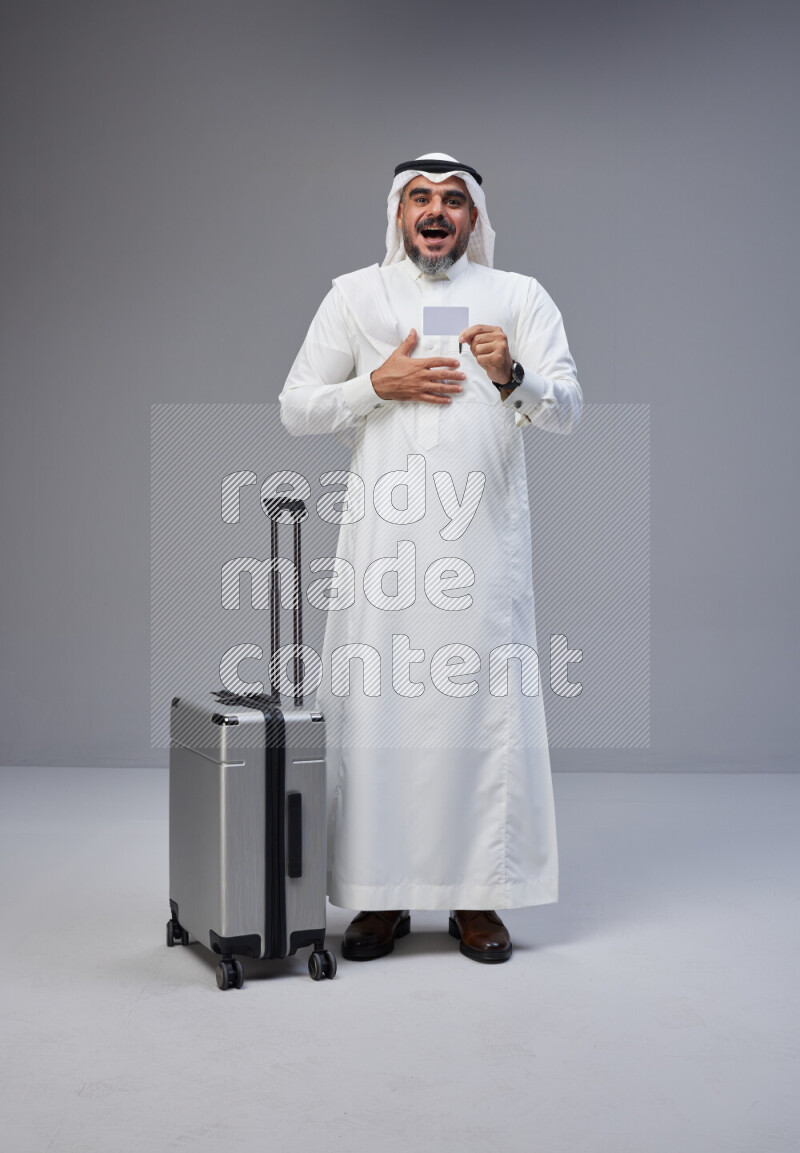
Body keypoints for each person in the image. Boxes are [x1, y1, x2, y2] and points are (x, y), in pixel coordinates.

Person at [279, 153, 582, 964]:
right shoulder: (356, 295)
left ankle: (478, 898)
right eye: (421, 199)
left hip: (482, 548)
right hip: (384, 551)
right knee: (380, 718)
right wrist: (376, 383)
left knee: (481, 717)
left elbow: (568, 407)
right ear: (398, 213)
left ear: (476, 217)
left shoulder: (518, 296)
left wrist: (509, 374)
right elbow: (295, 406)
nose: (437, 212)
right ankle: (381, 901)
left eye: (453, 200)